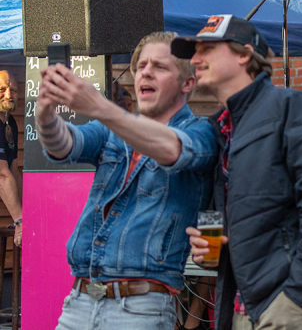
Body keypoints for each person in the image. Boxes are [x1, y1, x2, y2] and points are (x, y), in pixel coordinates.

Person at [35, 32, 218, 330]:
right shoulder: (112, 130)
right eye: (141, 65)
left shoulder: (203, 132)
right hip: (79, 300)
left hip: (140, 309)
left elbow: (173, 149)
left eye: (159, 66)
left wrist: (101, 107)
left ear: (187, 83)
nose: (145, 71)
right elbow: (65, 145)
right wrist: (44, 115)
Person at [174, 15, 302, 330]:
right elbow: (232, 219)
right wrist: (209, 250)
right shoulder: (219, 128)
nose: (195, 59)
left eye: (207, 49)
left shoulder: (290, 106)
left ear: (243, 54)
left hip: (290, 301)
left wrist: (300, 293)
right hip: (245, 304)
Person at [0, 71, 22, 247]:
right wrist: (19, 221)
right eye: (2, 89)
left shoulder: (10, 122)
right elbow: (1, 175)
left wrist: (24, 214)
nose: (8, 95)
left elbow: (14, 171)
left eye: (13, 89)